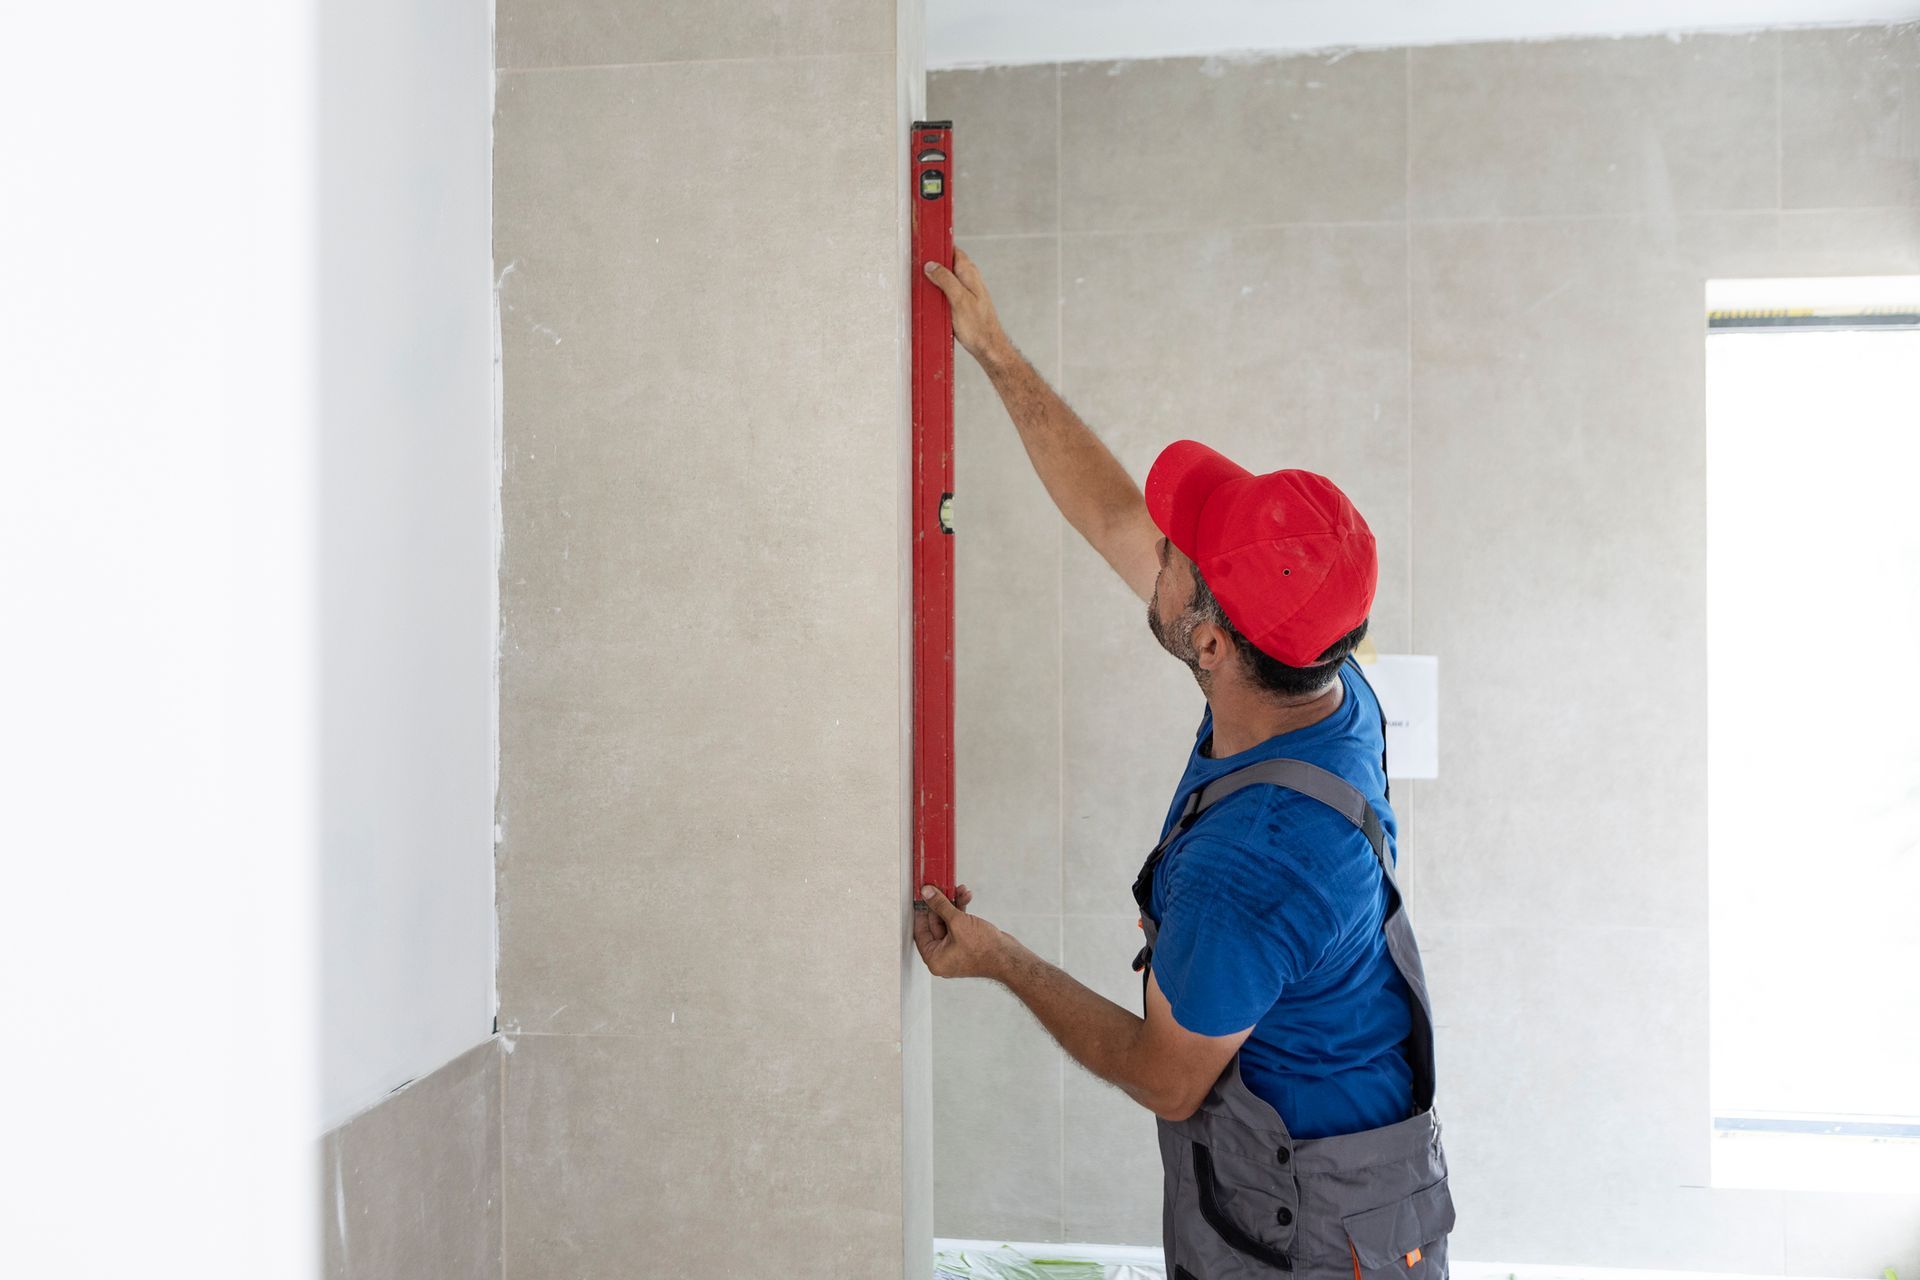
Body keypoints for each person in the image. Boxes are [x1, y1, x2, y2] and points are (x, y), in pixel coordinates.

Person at [911, 248, 1455, 1279]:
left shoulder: (1249, 871)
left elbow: (1168, 1078)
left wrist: (999, 956)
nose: (1154, 547)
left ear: (1210, 642)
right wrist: (994, 350)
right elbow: (1114, 513)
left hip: (1317, 1241)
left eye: (1177, 556)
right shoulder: (1325, 686)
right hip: (1362, 1188)